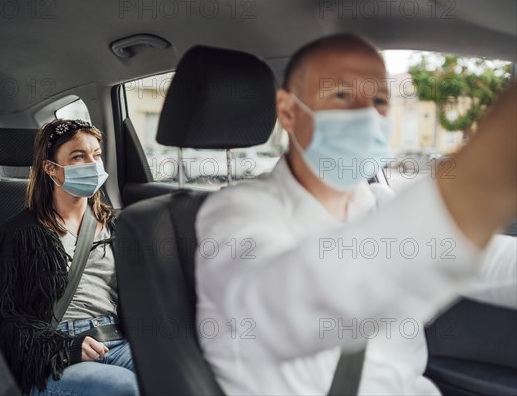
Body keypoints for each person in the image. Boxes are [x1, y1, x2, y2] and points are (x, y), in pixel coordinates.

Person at [195, 33, 516, 395]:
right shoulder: (234, 214)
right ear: (288, 111)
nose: (366, 114)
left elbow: (494, 260)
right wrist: (484, 180)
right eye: (342, 95)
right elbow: (291, 308)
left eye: (379, 99)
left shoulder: (377, 202)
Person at [0, 119, 139, 396]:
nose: (92, 164)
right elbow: (2, 318)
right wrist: (62, 347)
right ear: (51, 168)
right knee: (124, 387)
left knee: (174, 374)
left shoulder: (118, 225)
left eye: (96, 155)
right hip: (55, 355)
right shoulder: (20, 234)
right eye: (79, 156)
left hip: (118, 339)